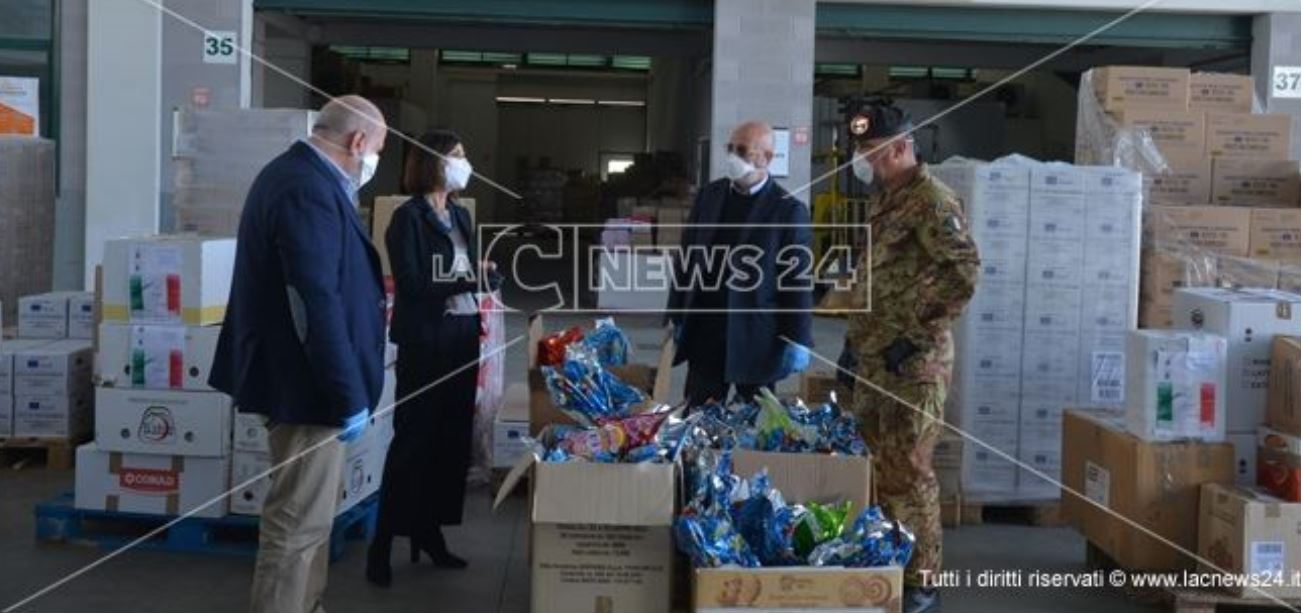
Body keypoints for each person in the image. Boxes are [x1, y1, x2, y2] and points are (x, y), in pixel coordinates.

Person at [209, 95, 388, 612]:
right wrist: (347, 394)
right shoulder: (304, 188)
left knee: (312, 522)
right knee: (296, 524)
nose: (373, 161)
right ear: (358, 141)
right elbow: (314, 301)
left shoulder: (300, 178)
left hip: (307, 382)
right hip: (308, 388)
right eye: (377, 149)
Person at [840, 101, 980, 613]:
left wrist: (914, 335)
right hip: (876, 358)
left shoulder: (932, 200)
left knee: (911, 471)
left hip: (914, 364)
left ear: (901, 147)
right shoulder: (886, 199)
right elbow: (874, 277)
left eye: (871, 150)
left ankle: (922, 582)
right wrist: (853, 344)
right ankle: (887, 564)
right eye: (860, 150)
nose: (864, 160)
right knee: (878, 467)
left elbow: (964, 272)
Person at [366, 129, 498, 587]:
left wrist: (485, 275)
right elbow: (414, 283)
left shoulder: (459, 215)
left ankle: (429, 531)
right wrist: (470, 280)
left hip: (461, 335)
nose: (464, 163)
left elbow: (466, 269)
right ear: (432, 162)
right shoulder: (407, 219)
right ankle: (383, 542)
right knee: (414, 440)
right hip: (426, 341)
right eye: (455, 156)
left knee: (449, 440)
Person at [666, 120, 814, 407]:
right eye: (731, 149)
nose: (733, 157)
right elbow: (687, 257)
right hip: (706, 333)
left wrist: (798, 337)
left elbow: (797, 280)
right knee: (698, 415)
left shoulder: (787, 210)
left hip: (757, 337)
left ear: (767, 158)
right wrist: (677, 314)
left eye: (743, 151)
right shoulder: (710, 196)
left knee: (756, 420)